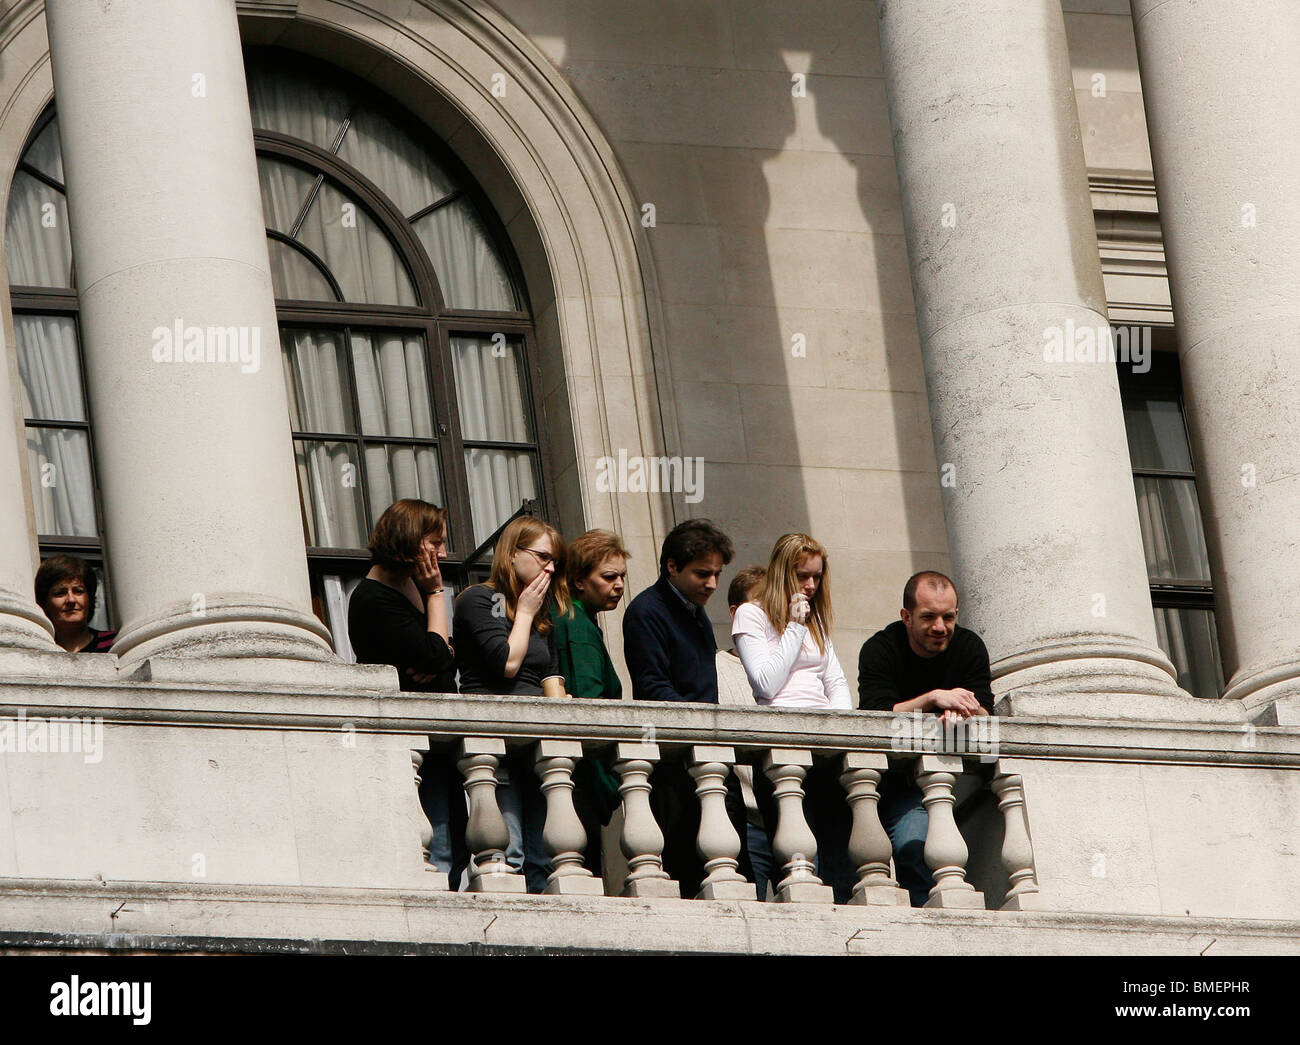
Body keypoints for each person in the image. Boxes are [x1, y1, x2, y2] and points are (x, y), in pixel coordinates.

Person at [622, 518, 751, 896]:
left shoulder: (694, 611)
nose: (712, 584)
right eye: (702, 574)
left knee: (733, 878)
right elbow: (653, 688)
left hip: (708, 761)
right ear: (672, 567)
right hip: (674, 769)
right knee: (692, 879)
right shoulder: (646, 611)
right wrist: (706, 722)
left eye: (716, 574)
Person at [857, 569, 994, 906]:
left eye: (948, 617)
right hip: (895, 782)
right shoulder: (880, 648)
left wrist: (965, 709)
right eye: (928, 617)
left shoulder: (969, 646)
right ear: (906, 616)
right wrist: (933, 698)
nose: (940, 627)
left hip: (957, 781)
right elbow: (873, 716)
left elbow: (987, 715)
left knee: (935, 860)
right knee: (913, 850)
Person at [347, 499, 466, 882]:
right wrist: (435, 596)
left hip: (443, 739)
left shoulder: (408, 587)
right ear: (411, 540)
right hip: (413, 743)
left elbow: (446, 657)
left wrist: (440, 653)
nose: (443, 553)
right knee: (437, 849)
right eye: (436, 542)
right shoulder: (371, 599)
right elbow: (435, 656)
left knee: (457, 845)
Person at [732, 534, 854, 901]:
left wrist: (838, 729)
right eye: (803, 576)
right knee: (800, 865)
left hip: (826, 747)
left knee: (839, 857)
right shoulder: (751, 615)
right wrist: (795, 627)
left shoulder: (816, 620)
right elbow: (766, 684)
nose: (811, 585)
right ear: (783, 572)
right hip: (781, 749)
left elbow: (836, 682)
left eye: (817, 576)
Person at [454, 515, 568, 893]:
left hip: (536, 743)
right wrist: (528, 612)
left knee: (545, 856)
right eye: (542, 557)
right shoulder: (479, 599)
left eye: (555, 562)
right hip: (495, 741)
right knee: (509, 851)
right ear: (512, 553)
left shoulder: (540, 615)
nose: (550, 568)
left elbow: (548, 676)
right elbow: (506, 663)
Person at [552, 529, 630, 875]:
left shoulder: (579, 620)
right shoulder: (577, 625)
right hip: (582, 776)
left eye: (622, 576)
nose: (619, 585)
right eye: (609, 577)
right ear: (579, 581)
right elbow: (591, 703)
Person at [715, 565, 777, 900]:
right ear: (736, 613)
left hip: (791, 811)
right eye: (760, 607)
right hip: (746, 821)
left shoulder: (792, 662)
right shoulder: (716, 667)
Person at [35, 555, 116, 652]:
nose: (71, 600)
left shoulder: (113, 645)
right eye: (60, 593)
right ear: (45, 603)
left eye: (78, 591)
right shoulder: (39, 650)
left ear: (89, 598)